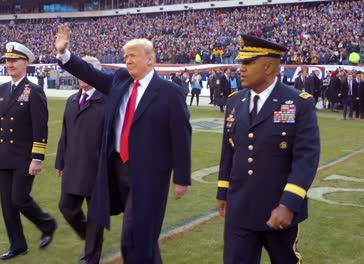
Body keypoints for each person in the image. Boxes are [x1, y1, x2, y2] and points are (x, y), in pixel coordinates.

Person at [55, 24, 191, 264]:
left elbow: (181, 136)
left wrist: (182, 177)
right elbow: (91, 74)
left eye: (133, 56)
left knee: (132, 239)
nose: (127, 61)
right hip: (117, 170)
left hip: (148, 175)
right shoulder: (119, 81)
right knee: (144, 238)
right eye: (125, 56)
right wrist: (65, 54)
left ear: (150, 60)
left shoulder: (169, 92)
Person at [216, 34, 320, 264]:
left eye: (248, 62)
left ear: (269, 66)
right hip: (240, 208)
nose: (240, 68)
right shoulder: (235, 101)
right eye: (240, 62)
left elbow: (306, 158)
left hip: (278, 211)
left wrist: (288, 204)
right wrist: (223, 191)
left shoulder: (298, 103)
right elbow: (229, 152)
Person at [0, 42, 57, 261]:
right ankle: (18, 245)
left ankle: (47, 223)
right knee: (7, 205)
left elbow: (40, 127)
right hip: (5, 156)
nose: (9, 64)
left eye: (14, 60)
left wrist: (37, 158)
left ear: (25, 63)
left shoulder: (33, 90)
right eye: (7, 60)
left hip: (24, 157)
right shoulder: (4, 90)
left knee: (19, 199)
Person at [55, 56, 105, 264]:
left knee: (96, 215)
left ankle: (91, 255)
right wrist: (60, 161)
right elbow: (65, 133)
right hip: (74, 165)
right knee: (66, 207)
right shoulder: (72, 100)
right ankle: (92, 238)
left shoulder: (107, 99)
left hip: (98, 169)